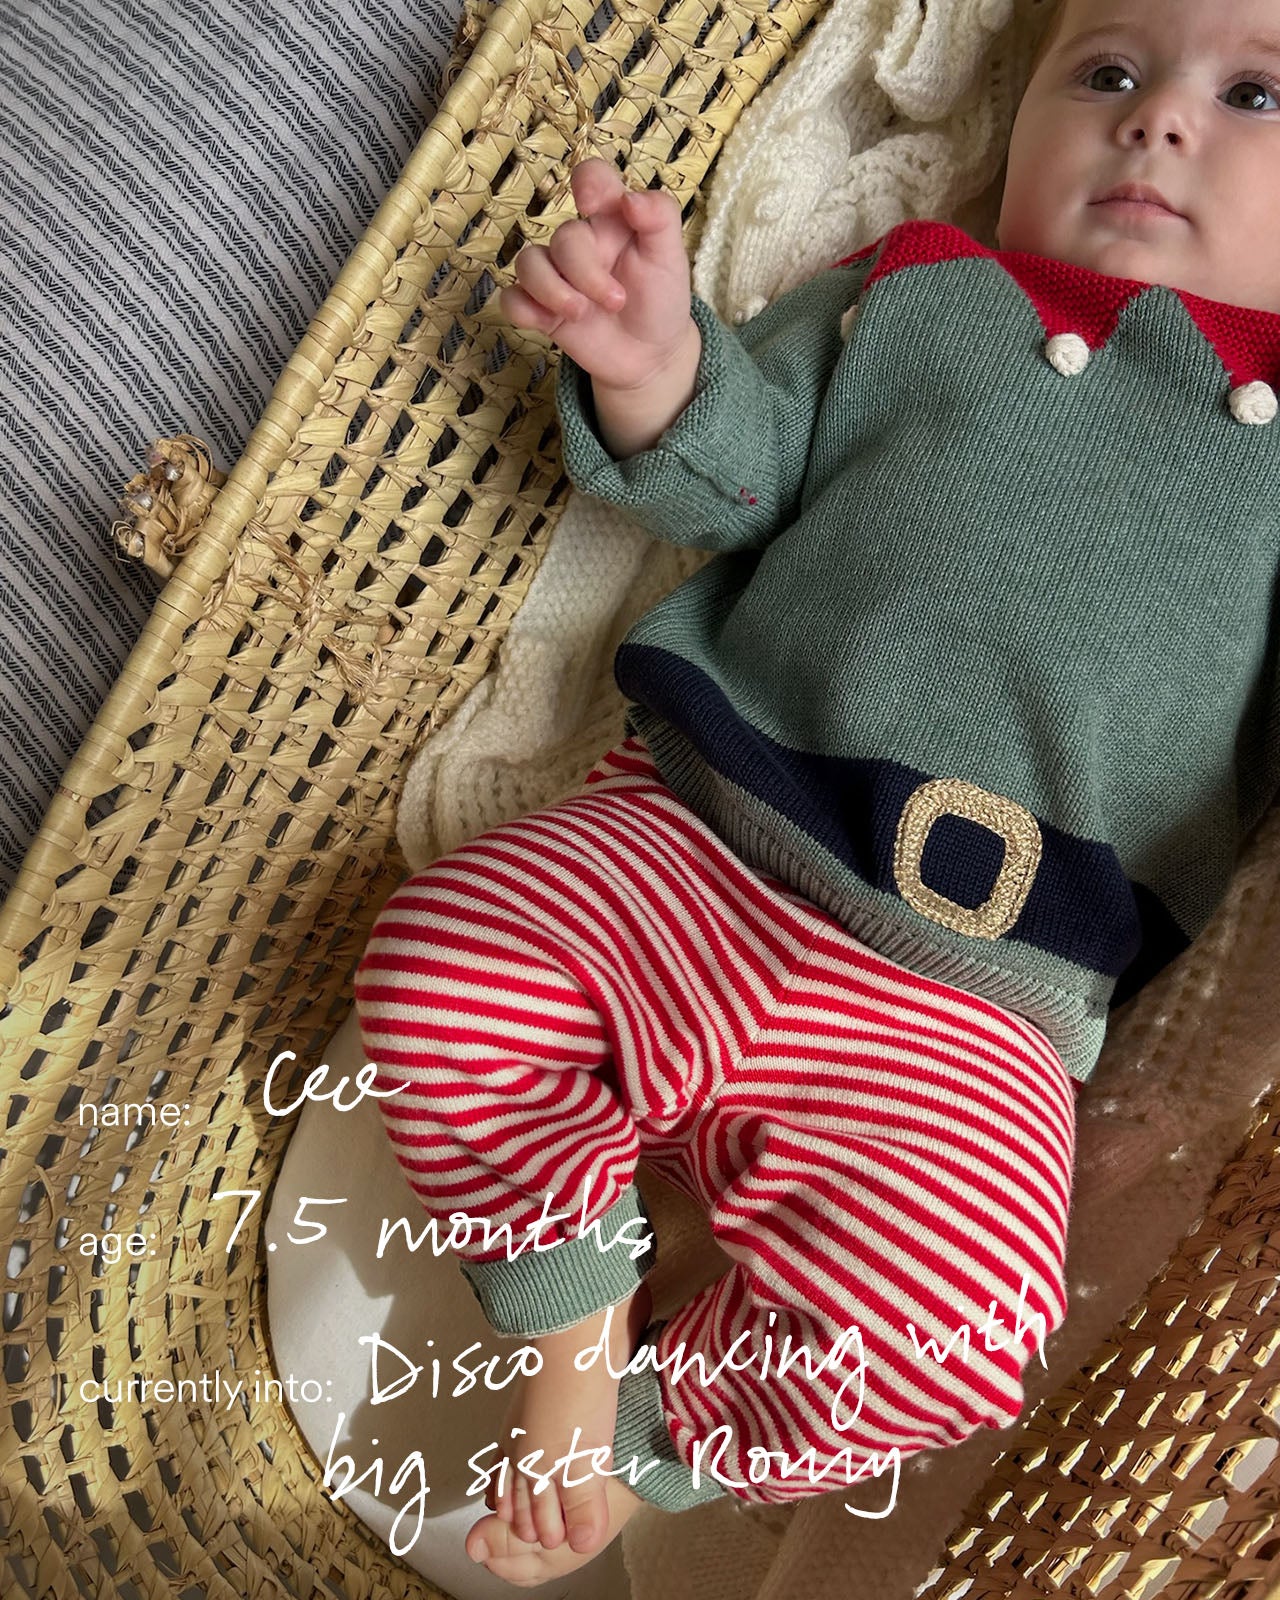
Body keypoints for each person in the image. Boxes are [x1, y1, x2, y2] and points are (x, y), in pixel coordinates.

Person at [354, 0, 1280, 1584]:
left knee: (972, 1327)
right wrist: (652, 355)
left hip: (976, 1003)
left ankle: (650, 1437)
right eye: (1108, 70)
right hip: (709, 832)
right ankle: (570, 1323)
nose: (1159, 120)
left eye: (1256, 93)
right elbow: (734, 467)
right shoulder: (917, 295)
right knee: (447, 963)